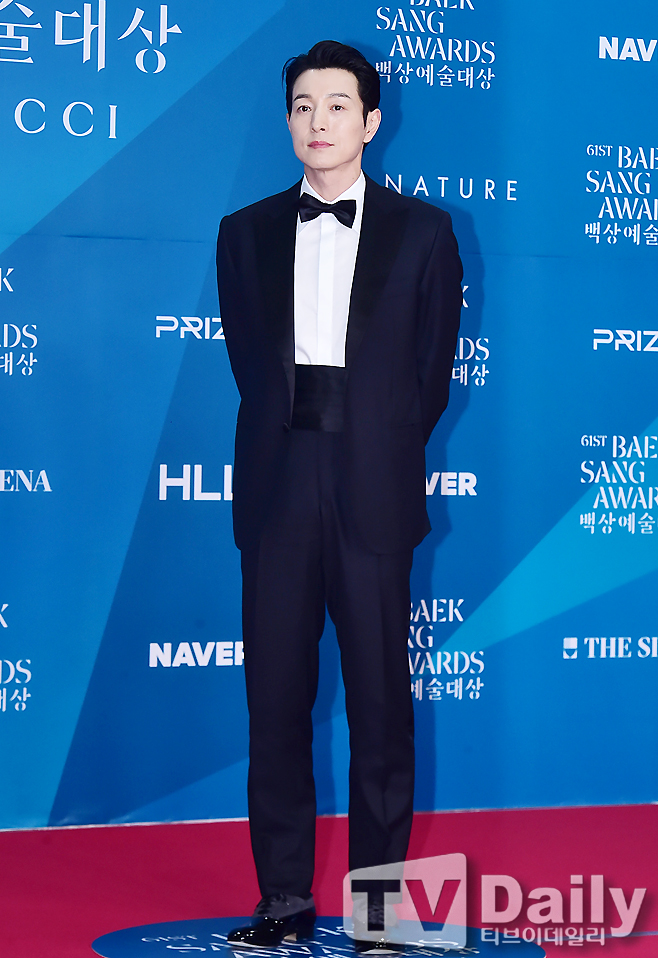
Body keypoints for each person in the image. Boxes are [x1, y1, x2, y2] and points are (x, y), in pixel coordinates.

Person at [216, 39, 462, 951]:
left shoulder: (424, 232)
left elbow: (431, 376)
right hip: (277, 484)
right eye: (302, 107)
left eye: (336, 106)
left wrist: (377, 447)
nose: (317, 122)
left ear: (371, 121)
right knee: (276, 704)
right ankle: (282, 897)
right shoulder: (242, 232)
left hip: (373, 486)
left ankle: (379, 909)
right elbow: (249, 366)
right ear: (288, 122)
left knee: (380, 709)